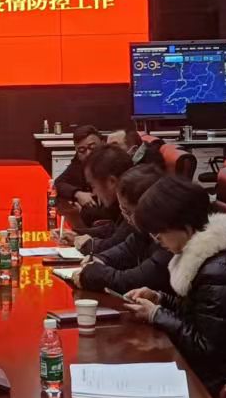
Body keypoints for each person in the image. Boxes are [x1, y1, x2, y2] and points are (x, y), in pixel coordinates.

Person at [121, 176, 226, 391]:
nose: (157, 239)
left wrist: (157, 314)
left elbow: (206, 348)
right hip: (218, 372)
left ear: (185, 227)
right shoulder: (206, 260)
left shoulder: (220, 273)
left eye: (160, 232)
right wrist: (159, 299)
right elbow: (199, 314)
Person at [77, 162, 171, 296]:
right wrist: (99, 259)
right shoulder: (144, 231)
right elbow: (125, 250)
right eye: (122, 210)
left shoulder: (169, 239)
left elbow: (128, 281)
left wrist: (93, 273)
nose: (127, 219)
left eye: (128, 212)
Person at [72, 143, 132, 244]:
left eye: (93, 186)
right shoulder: (121, 203)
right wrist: (77, 234)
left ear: (111, 182)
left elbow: (116, 243)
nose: (94, 193)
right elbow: (112, 229)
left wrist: (87, 245)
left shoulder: (133, 206)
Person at [53, 125, 104, 205]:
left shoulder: (111, 158)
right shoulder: (78, 163)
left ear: (103, 143)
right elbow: (58, 183)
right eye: (82, 150)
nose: (88, 153)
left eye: (92, 147)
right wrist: (77, 193)